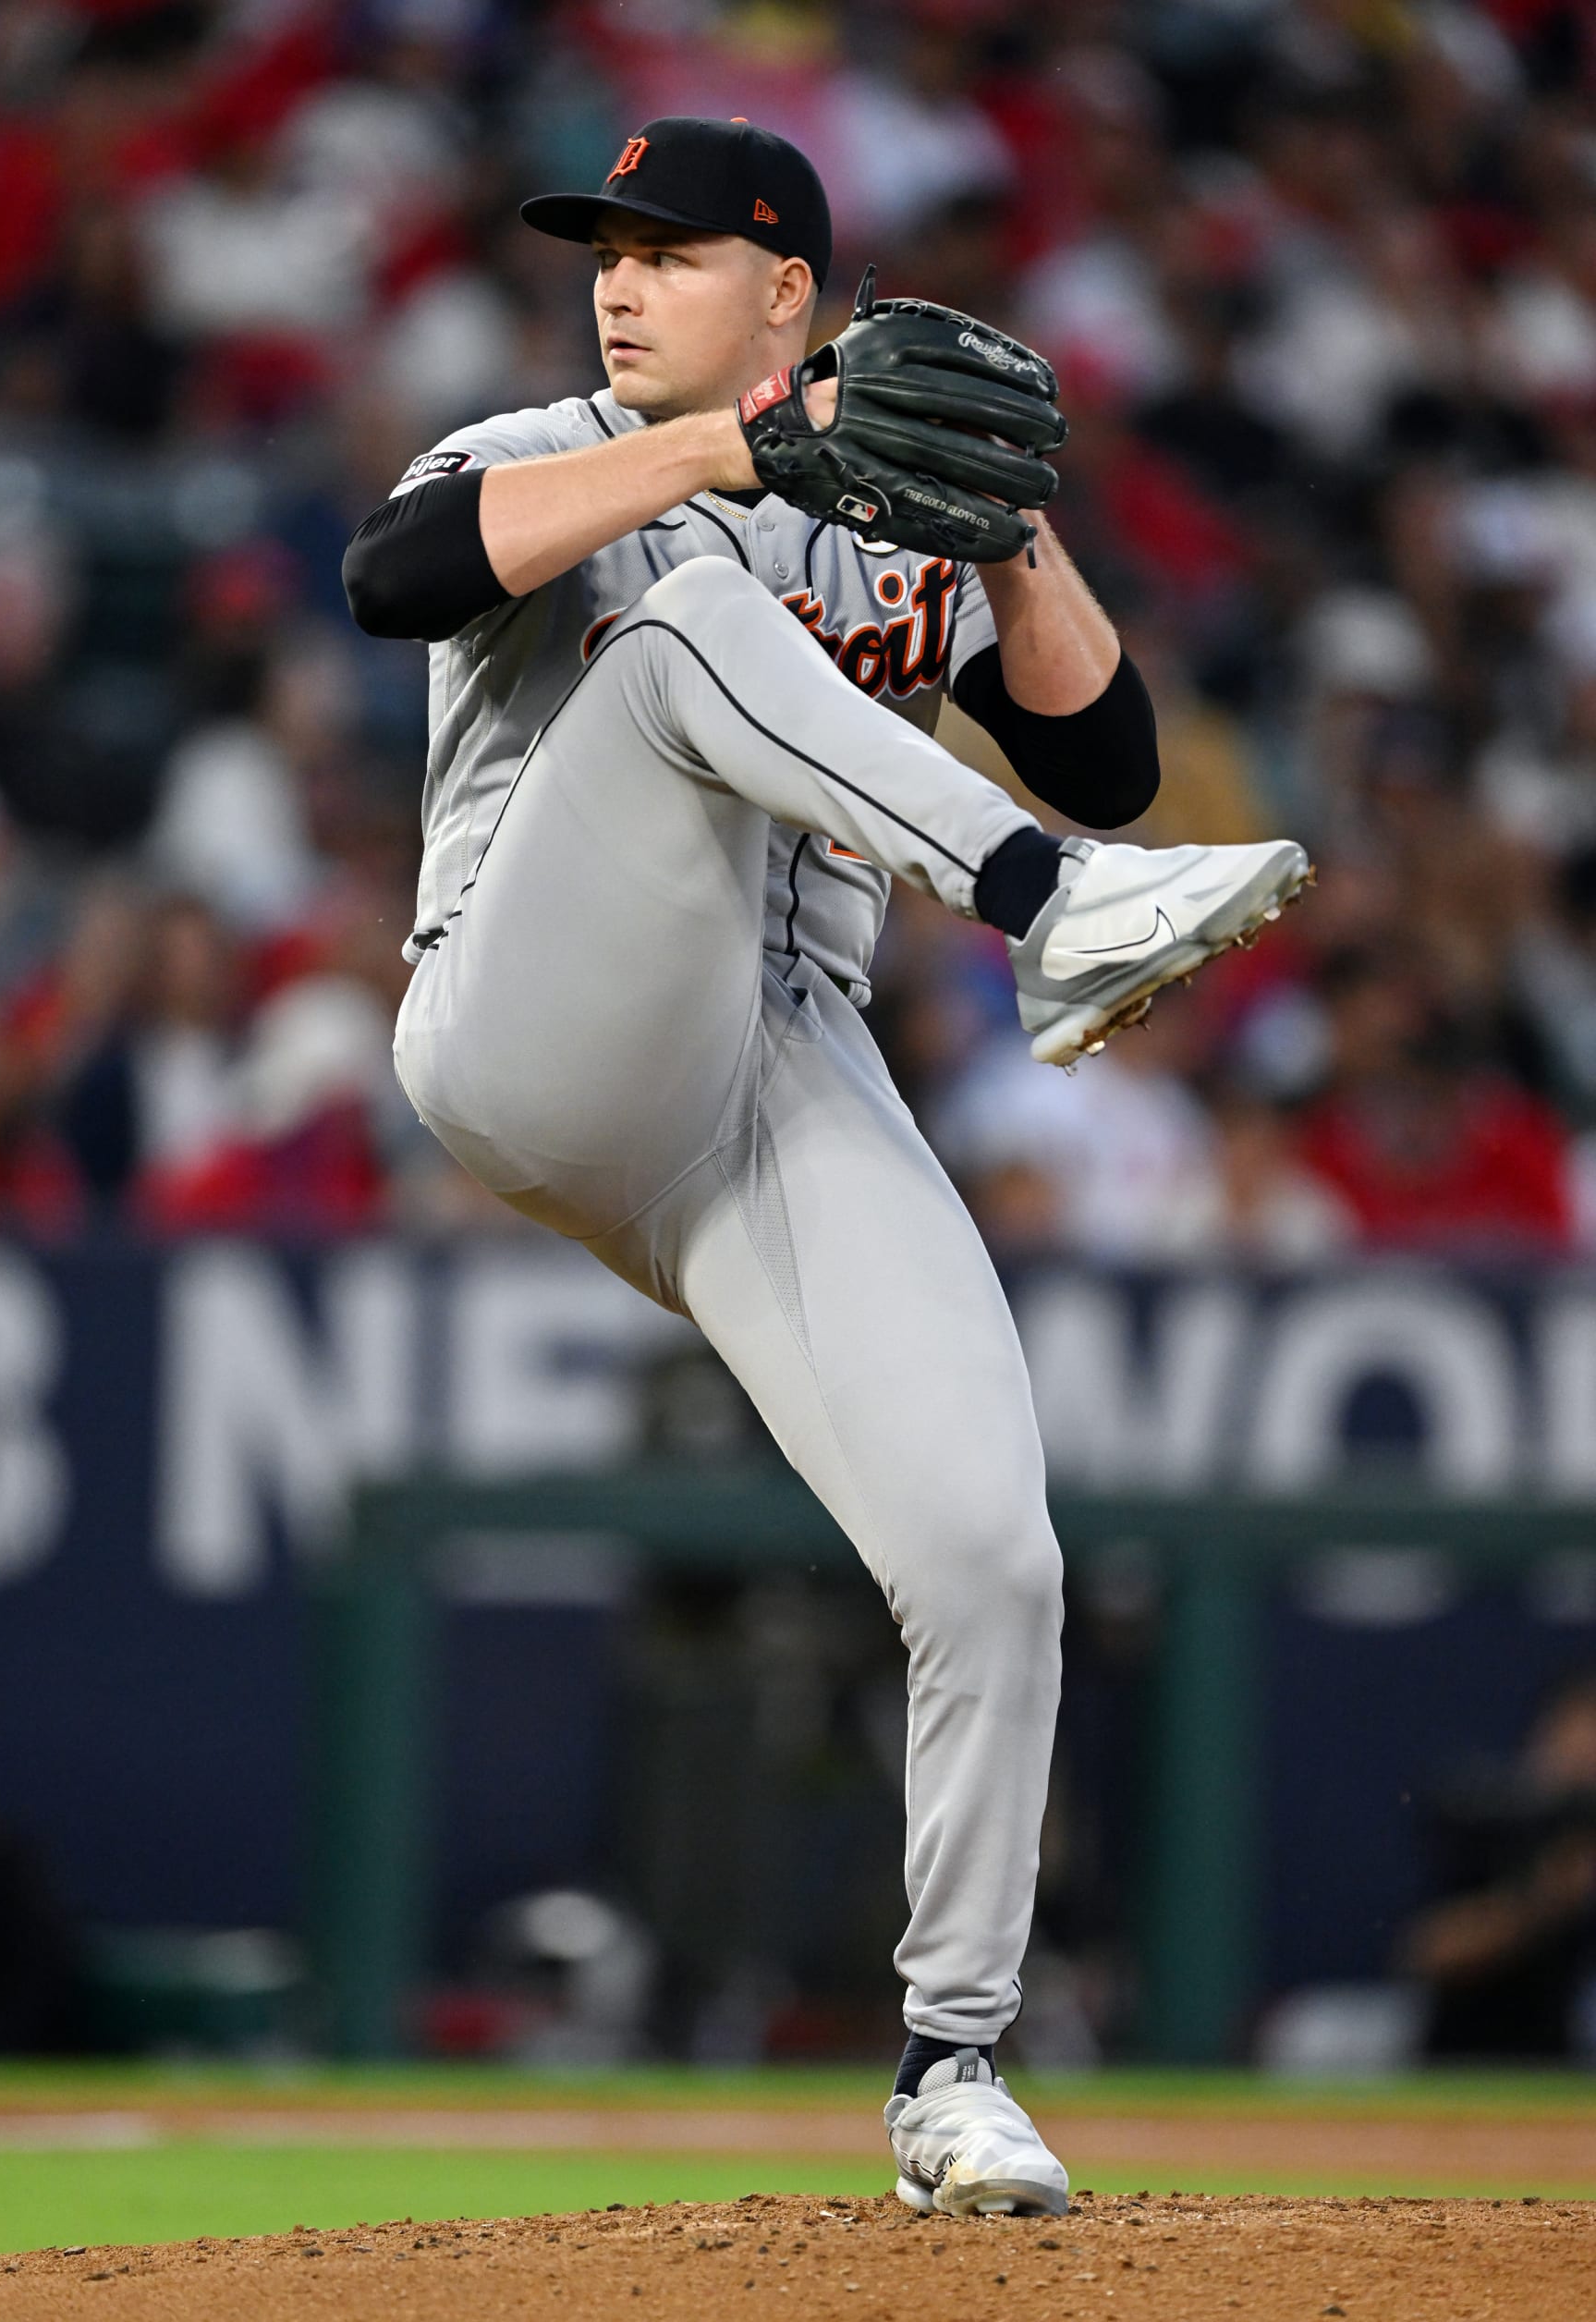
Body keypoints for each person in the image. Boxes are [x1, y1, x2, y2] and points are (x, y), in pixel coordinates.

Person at [343, 116, 1308, 2218]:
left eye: (672, 249)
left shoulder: (879, 510)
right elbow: (387, 578)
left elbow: (1109, 755)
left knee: (991, 1553)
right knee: (681, 632)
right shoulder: (545, 444)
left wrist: (1006, 520)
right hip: (534, 1020)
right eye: (606, 245)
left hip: (780, 1078)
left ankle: (952, 2063)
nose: (619, 277)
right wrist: (712, 457)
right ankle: (1059, 916)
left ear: (789, 291)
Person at [1398, 1666, 1596, 2060]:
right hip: (1472, 2064)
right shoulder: (1492, 1823)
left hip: (1563, 2072)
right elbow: (1426, 1952)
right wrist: (1546, 1900)